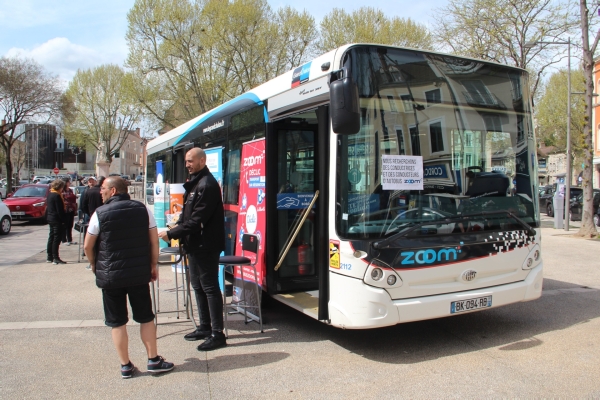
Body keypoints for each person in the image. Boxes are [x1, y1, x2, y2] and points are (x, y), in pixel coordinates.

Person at [83, 176, 174, 379]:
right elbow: (153, 242)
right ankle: (153, 360)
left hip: (110, 276)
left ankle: (125, 365)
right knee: (145, 317)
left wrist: (93, 263)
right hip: (138, 274)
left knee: (117, 322)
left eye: (103, 188)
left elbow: (88, 246)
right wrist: (152, 265)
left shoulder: (99, 213)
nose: (100, 192)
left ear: (113, 191)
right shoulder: (143, 210)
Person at [158, 147, 226, 351]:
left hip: (206, 245)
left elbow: (197, 220)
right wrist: (175, 225)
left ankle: (217, 334)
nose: (187, 164)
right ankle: (205, 327)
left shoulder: (207, 184)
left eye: (190, 161)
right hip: (194, 244)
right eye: (186, 161)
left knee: (210, 288)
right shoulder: (196, 182)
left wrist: (171, 234)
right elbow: (188, 215)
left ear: (202, 160)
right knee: (197, 285)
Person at [46, 179, 67, 264]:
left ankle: (49, 256)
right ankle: (55, 257)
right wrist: (63, 220)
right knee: (56, 238)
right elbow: (59, 210)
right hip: (56, 219)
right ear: (60, 187)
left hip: (50, 218)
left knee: (51, 237)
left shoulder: (50, 194)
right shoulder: (57, 196)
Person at [62, 177, 77, 246]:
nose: (69, 183)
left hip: (71, 209)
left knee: (70, 225)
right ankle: (64, 239)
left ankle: (70, 239)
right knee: (65, 225)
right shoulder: (62, 191)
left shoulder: (70, 190)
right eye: (68, 182)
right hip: (65, 210)